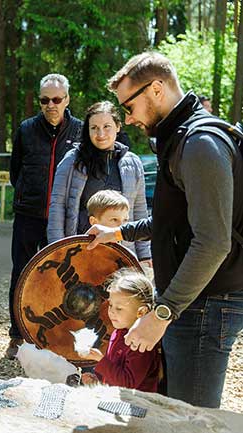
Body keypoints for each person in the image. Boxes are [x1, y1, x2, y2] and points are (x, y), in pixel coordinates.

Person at [87, 52, 243, 408]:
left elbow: (213, 241)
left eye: (129, 106)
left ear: (156, 89)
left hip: (206, 301)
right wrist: (119, 232)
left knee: (191, 419)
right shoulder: (181, 140)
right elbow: (179, 221)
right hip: (192, 300)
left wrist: (163, 312)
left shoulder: (201, 143)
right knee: (173, 411)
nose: (127, 118)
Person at [6, 73, 83, 359]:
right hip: (29, 215)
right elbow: (17, 171)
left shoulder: (80, 131)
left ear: (67, 100)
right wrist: (28, 195)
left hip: (63, 219)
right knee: (21, 274)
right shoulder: (26, 129)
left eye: (56, 99)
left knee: (63, 277)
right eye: (44, 100)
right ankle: (17, 335)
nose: (51, 105)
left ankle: (58, 336)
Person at [47, 101, 150, 263]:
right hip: (81, 250)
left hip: (121, 251)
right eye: (94, 128)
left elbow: (139, 211)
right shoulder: (72, 161)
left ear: (118, 126)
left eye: (107, 126)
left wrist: (144, 255)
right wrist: (57, 251)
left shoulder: (133, 163)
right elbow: (57, 207)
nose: (100, 133)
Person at [80, 269, 161, 392]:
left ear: (141, 312)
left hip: (138, 405)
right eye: (111, 305)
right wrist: (98, 380)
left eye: (119, 308)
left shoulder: (140, 344)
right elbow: (115, 368)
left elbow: (128, 383)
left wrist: (101, 360)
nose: (111, 311)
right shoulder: (117, 333)